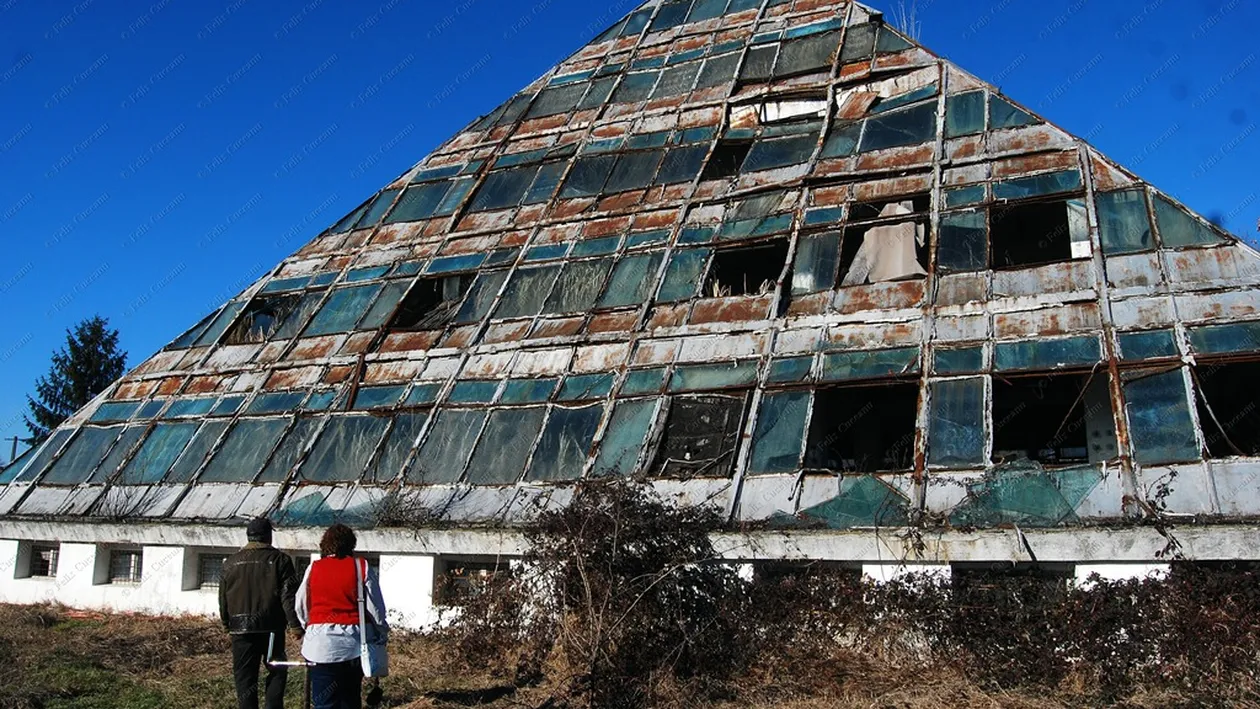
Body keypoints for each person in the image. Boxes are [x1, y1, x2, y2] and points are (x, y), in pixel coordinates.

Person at [296, 523, 389, 709]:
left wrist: (309, 626)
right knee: (350, 699)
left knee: (323, 702)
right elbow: (376, 608)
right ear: (351, 545)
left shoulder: (313, 568)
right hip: (353, 645)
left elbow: (300, 605)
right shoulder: (361, 567)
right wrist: (382, 632)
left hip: (319, 647)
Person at [219, 517, 303, 709]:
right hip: (271, 627)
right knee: (277, 670)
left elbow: (223, 597)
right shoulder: (281, 560)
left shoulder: (230, 563)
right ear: (268, 536)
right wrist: (295, 626)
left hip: (240, 630)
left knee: (245, 677)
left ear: (248, 536)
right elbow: (288, 597)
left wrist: (226, 623)